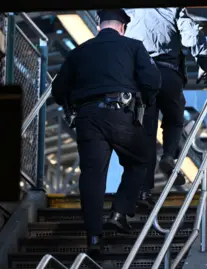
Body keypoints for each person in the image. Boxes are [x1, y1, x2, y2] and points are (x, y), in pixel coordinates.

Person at [51, 9, 161, 257]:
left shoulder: (80, 51)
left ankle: (93, 237)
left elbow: (58, 89)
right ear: (122, 27)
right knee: (140, 160)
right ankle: (119, 212)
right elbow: (152, 80)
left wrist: (71, 105)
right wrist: (144, 100)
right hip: (120, 114)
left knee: (92, 176)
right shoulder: (133, 46)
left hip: (87, 118)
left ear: (99, 26)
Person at [123, 8, 207, 209]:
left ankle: (143, 191)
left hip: (141, 77)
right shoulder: (173, 9)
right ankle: (169, 155)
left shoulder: (128, 10)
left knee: (145, 134)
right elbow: (192, 35)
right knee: (174, 119)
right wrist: (204, 64)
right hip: (168, 73)